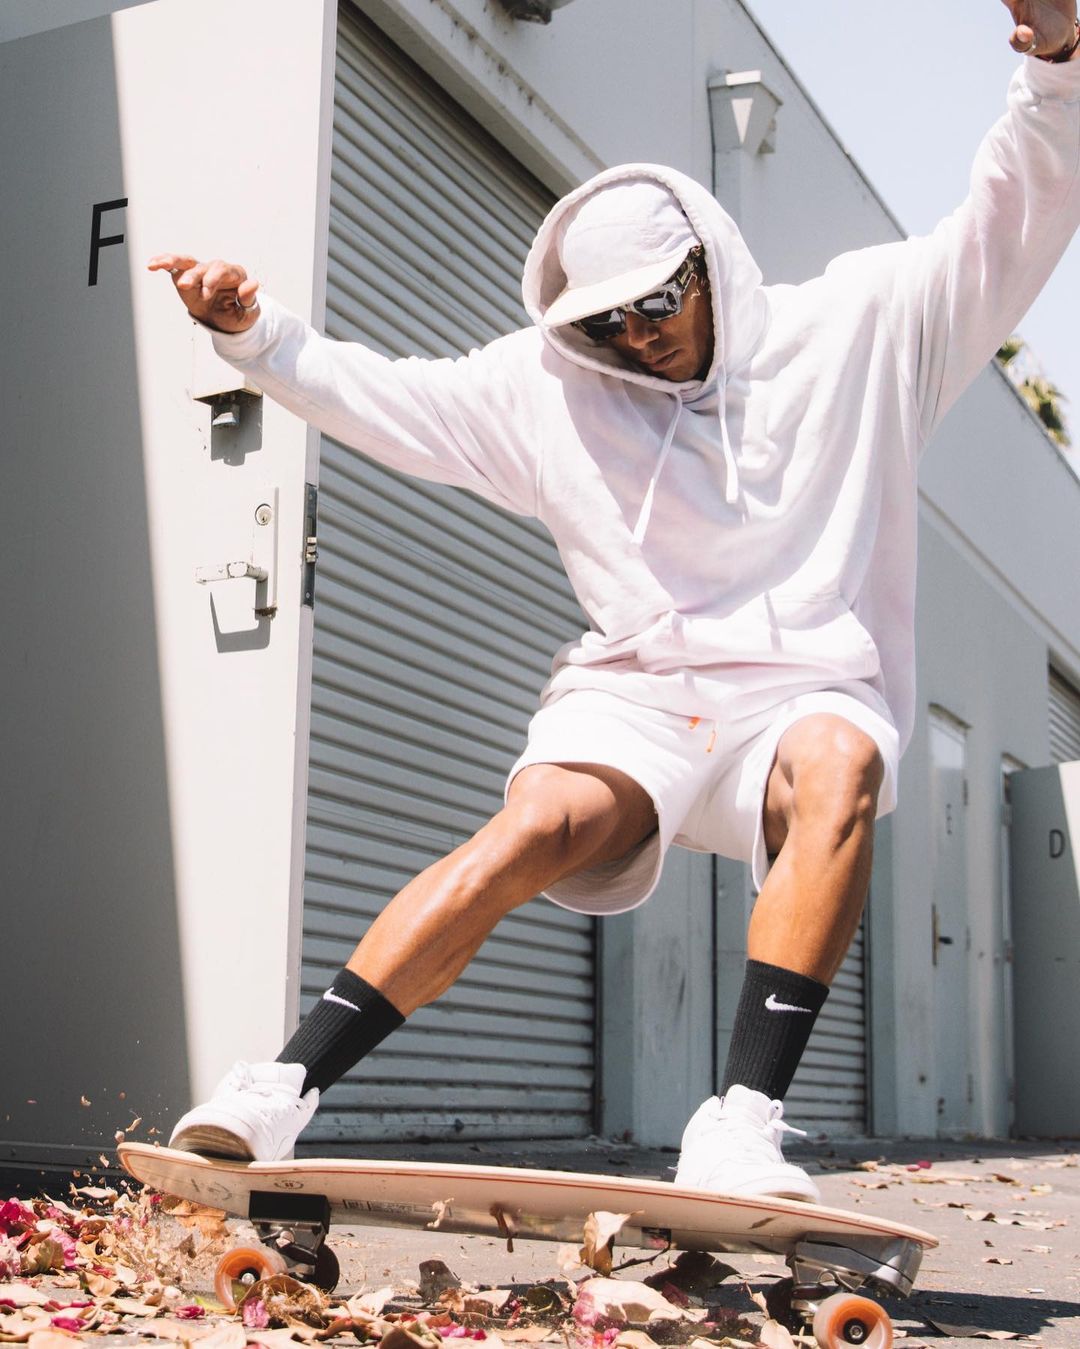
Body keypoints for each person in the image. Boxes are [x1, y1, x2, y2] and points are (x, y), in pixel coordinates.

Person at [150, 0, 1080, 1202]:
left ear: (709, 264)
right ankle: (279, 1088)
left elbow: (1012, 224)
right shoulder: (552, 388)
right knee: (532, 829)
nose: (636, 338)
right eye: (605, 321)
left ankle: (740, 1122)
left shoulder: (864, 326)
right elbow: (391, 399)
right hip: (639, 692)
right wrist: (259, 336)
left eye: (656, 303)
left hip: (800, 691)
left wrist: (1059, 63)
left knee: (844, 761)